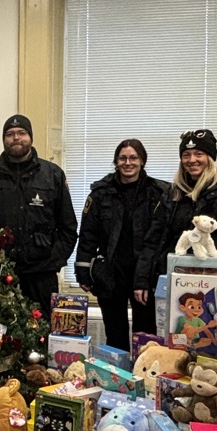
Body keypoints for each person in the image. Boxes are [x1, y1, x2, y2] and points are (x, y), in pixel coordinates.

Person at [134, 129, 217, 307]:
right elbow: (154, 240)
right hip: (171, 277)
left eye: (199, 154)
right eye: (186, 155)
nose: (192, 160)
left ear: (210, 157)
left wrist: (207, 264)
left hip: (213, 281)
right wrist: (141, 279)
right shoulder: (172, 193)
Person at [0, 114, 78, 316]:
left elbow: (68, 226)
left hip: (41, 275)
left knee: (41, 334)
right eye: (10, 134)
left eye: (21, 133)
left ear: (30, 137)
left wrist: (54, 261)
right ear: (4, 140)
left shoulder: (53, 175)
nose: (16, 138)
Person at [74, 139, 168, 351]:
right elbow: (88, 234)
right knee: (114, 333)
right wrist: (82, 272)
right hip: (110, 273)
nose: (128, 163)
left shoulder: (160, 193)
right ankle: (117, 380)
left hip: (144, 274)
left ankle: (143, 378)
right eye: (122, 158)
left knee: (145, 334)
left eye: (133, 158)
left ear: (142, 160)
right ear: (116, 161)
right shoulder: (100, 193)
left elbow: (161, 239)